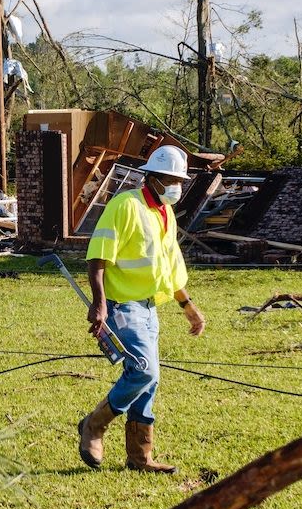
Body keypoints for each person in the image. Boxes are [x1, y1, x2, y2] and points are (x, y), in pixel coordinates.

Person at [77, 145, 206, 474]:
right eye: (170, 178)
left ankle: (139, 458)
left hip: (149, 309)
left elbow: (170, 267)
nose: (176, 185)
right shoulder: (125, 206)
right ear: (153, 177)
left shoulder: (165, 213)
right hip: (123, 305)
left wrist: (187, 306)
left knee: (150, 381)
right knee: (144, 370)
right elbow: (97, 256)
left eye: (179, 179)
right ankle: (93, 425)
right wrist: (100, 303)